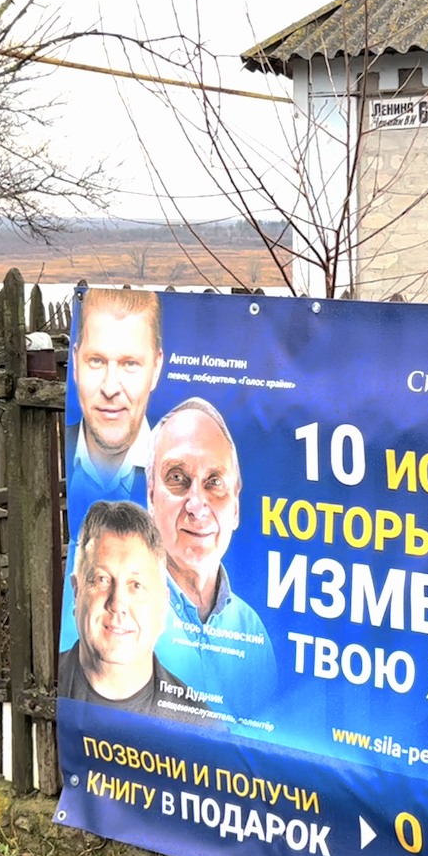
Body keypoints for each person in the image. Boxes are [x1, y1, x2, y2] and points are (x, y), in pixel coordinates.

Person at [149, 398, 277, 716]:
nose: (197, 505)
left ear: (235, 508)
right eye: (177, 478)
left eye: (214, 483)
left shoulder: (252, 632)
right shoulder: (120, 619)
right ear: (150, 497)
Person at [57, 499, 200, 720]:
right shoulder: (43, 685)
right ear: (76, 591)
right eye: (102, 579)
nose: (117, 603)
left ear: (163, 604)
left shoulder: (201, 727)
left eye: (136, 585)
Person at [65, 287, 163, 519]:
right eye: (96, 361)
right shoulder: (50, 457)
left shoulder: (179, 472)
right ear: (76, 363)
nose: (110, 388)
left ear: (156, 368)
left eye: (129, 363)